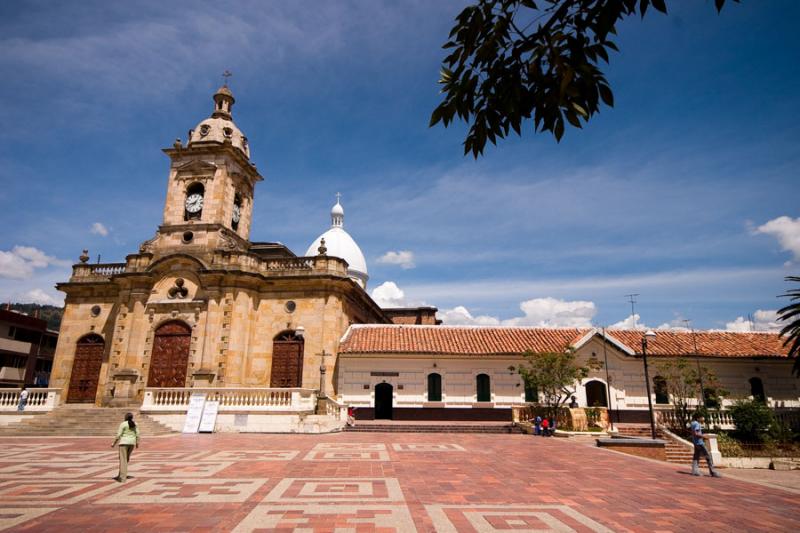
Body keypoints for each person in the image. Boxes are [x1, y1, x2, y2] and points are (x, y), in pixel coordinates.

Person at [111, 412, 140, 482]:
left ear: (125, 417)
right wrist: (137, 443)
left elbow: (118, 435)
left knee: (122, 460)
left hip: (124, 443)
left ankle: (122, 478)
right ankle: (120, 475)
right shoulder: (135, 424)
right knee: (125, 460)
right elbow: (138, 434)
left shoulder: (123, 424)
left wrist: (113, 443)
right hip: (131, 443)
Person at [690, 413, 721, 478]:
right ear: (698, 418)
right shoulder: (697, 424)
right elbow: (696, 433)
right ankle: (713, 472)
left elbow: (694, 433)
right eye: (701, 417)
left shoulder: (692, 423)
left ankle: (694, 471)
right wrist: (704, 436)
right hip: (700, 442)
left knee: (696, 457)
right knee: (708, 457)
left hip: (695, 442)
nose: (702, 419)